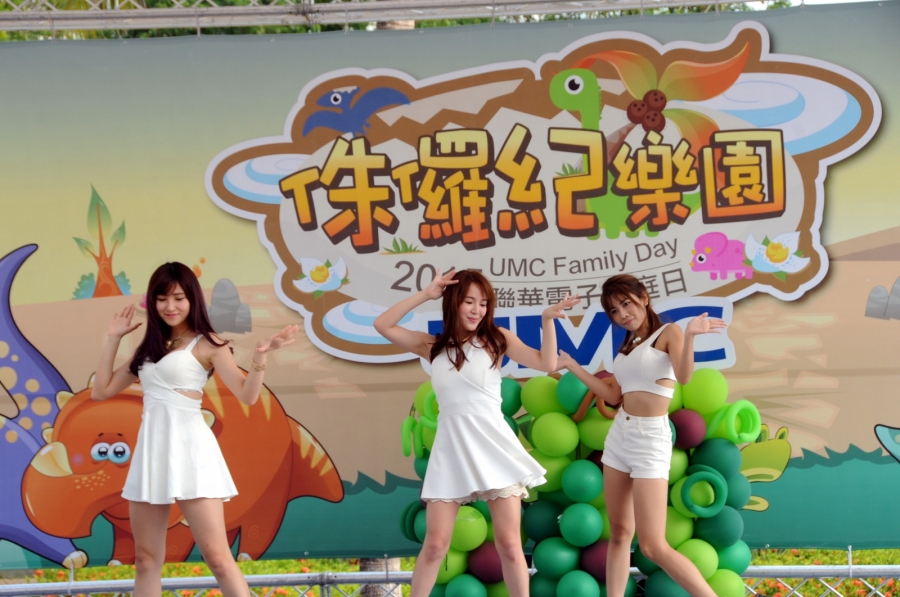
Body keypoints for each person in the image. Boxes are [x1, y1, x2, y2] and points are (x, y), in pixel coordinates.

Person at [90, 262, 297, 597]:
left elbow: (247, 394)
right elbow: (101, 391)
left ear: (192, 300)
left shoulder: (209, 344)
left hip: (192, 452)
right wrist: (114, 339)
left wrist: (261, 357)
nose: (170, 306)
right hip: (152, 454)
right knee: (145, 560)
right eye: (161, 299)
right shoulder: (149, 348)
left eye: (178, 298)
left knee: (217, 558)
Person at [374, 269, 579, 597]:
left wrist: (547, 320)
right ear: (453, 302)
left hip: (494, 447)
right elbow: (383, 325)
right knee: (435, 546)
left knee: (509, 545)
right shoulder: (433, 346)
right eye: (469, 301)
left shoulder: (496, 339)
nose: (477, 310)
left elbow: (547, 364)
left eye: (483, 303)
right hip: (451, 450)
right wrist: (427, 294)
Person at [556, 274, 725, 597]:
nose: (622, 314)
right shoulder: (627, 347)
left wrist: (690, 336)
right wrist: (573, 367)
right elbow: (613, 394)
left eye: (626, 304)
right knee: (620, 533)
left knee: (652, 546)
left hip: (650, 438)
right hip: (620, 435)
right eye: (614, 310)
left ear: (644, 298)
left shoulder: (668, 332)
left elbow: (684, 376)